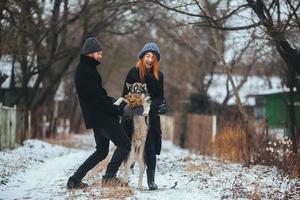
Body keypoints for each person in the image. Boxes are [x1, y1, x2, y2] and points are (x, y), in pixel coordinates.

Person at [67, 37, 131, 189]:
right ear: (90, 53)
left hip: (97, 118)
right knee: (124, 144)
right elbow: (97, 101)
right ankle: (109, 178)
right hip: (103, 118)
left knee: (102, 152)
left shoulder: (86, 70)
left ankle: (75, 180)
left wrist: (115, 100)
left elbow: (100, 95)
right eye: (98, 53)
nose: (101, 56)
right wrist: (119, 110)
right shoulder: (86, 72)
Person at [121, 42, 164, 190]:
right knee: (127, 144)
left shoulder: (159, 76)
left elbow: (160, 97)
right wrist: (134, 102)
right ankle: (124, 172)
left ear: (156, 60)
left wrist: (153, 104)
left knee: (150, 145)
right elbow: (124, 94)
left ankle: (151, 180)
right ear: (142, 57)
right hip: (132, 115)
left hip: (150, 116)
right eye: (148, 55)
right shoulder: (133, 72)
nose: (150, 59)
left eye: (153, 57)